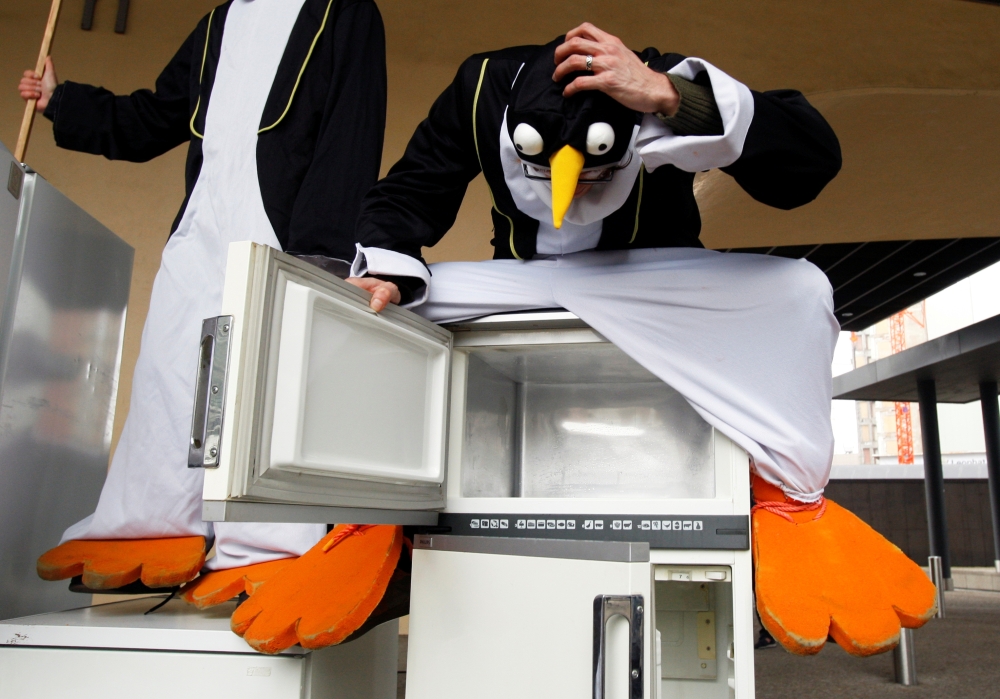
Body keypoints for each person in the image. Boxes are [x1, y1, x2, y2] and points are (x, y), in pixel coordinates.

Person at [345, 23, 938, 657]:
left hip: (656, 280)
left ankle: (792, 511)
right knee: (380, 300)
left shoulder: (664, 83)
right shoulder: (482, 83)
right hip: (525, 279)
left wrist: (670, 97)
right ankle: (374, 521)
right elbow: (411, 189)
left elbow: (809, 165)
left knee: (798, 291)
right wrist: (387, 266)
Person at [19, 0, 405, 652]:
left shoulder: (345, 13)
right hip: (204, 218)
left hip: (283, 225)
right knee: (170, 362)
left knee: (265, 387)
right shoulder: (221, 19)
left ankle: (268, 547)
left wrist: (323, 252)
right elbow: (157, 115)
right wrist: (65, 102)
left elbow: (351, 129)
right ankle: (151, 521)